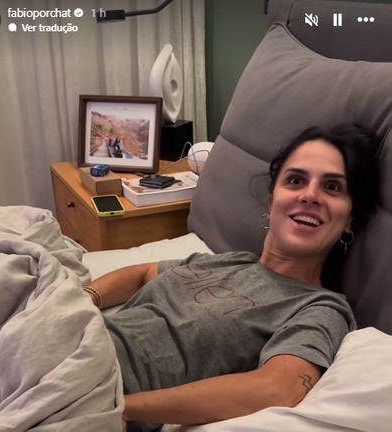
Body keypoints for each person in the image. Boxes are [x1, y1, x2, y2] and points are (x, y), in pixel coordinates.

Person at [83, 123, 380, 431]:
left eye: (332, 187)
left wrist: (125, 408)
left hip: (99, 385)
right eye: (295, 180)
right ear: (271, 202)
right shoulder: (231, 262)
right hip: (80, 337)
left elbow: (278, 387)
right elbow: (143, 273)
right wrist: (85, 299)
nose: (309, 195)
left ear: (350, 219)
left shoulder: (321, 308)